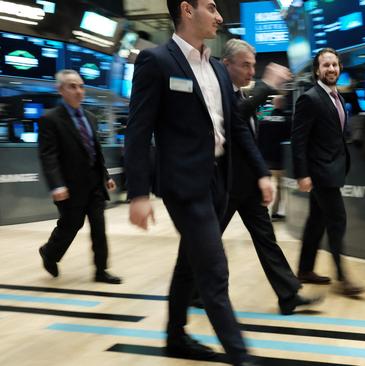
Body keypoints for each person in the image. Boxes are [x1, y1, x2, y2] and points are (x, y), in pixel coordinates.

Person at [124, 1, 271, 365]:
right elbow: (138, 132)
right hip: (183, 186)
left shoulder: (219, 71)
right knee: (214, 272)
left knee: (189, 263)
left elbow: (235, 127)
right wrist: (138, 193)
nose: (220, 17)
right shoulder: (156, 61)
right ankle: (241, 357)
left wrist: (263, 172)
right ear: (187, 10)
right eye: (212, 7)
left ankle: (175, 337)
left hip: (219, 182)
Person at [218, 39, 322, 315]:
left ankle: (288, 295)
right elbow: (233, 120)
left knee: (267, 240)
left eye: (253, 65)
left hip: (247, 185)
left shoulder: (240, 94)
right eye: (245, 65)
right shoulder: (219, 93)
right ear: (226, 64)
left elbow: (247, 140)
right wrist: (266, 85)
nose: (251, 71)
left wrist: (261, 174)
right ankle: (191, 292)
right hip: (224, 185)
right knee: (205, 241)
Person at [291, 48, 365, 296]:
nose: (331, 69)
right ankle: (343, 278)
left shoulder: (339, 98)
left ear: (340, 68)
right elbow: (298, 140)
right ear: (317, 70)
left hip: (333, 169)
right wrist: (302, 174)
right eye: (326, 65)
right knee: (337, 220)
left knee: (317, 220)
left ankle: (304, 269)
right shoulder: (310, 98)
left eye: (334, 65)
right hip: (320, 172)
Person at [37, 69, 121, 285]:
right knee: (70, 226)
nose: (78, 91)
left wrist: (105, 175)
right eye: (72, 86)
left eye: (81, 86)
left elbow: (94, 150)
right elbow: (48, 156)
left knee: (99, 228)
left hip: (94, 185)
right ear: (60, 90)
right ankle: (49, 253)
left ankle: (101, 270)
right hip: (70, 187)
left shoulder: (91, 117)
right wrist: (56, 185)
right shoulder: (50, 119)